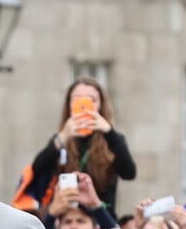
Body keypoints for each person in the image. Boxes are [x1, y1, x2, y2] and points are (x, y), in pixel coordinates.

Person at [32, 76, 136, 217]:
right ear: (69, 105)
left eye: (92, 100)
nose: (84, 105)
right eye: (78, 99)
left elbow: (129, 172)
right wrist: (63, 137)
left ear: (101, 105)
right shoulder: (62, 140)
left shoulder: (112, 139)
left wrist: (109, 132)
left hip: (101, 218)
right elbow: (37, 169)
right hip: (66, 218)